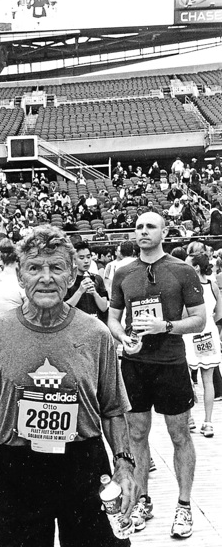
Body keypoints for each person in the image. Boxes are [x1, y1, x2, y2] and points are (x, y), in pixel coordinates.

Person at [0, 225, 138, 547]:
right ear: (20, 278)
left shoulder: (95, 334)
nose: (46, 277)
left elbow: (113, 410)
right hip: (19, 467)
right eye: (35, 268)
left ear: (71, 276)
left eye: (56, 268)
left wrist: (124, 466)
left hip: (84, 465)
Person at [108, 212, 206, 539]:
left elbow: (200, 320)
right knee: (136, 435)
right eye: (139, 227)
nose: (144, 231)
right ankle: (141, 500)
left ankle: (184, 506)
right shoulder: (123, 273)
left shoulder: (182, 269)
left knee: (180, 435)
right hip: (135, 364)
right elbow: (114, 319)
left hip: (171, 363)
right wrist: (123, 337)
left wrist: (165, 326)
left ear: (164, 231)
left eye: (151, 226)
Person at [183, 253, 222, 437]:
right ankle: (208, 422)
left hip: (190, 334)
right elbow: (219, 313)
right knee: (208, 380)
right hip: (209, 334)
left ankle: (190, 418)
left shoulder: (187, 287)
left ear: (196, 267)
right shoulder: (213, 285)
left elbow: (182, 315)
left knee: (187, 378)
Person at [65, 240, 109, 323]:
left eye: (88, 257)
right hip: (76, 326)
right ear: (73, 260)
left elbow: (103, 308)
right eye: (81, 258)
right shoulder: (67, 281)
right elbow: (64, 310)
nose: (86, 261)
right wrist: (80, 291)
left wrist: (95, 294)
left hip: (95, 326)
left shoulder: (97, 279)